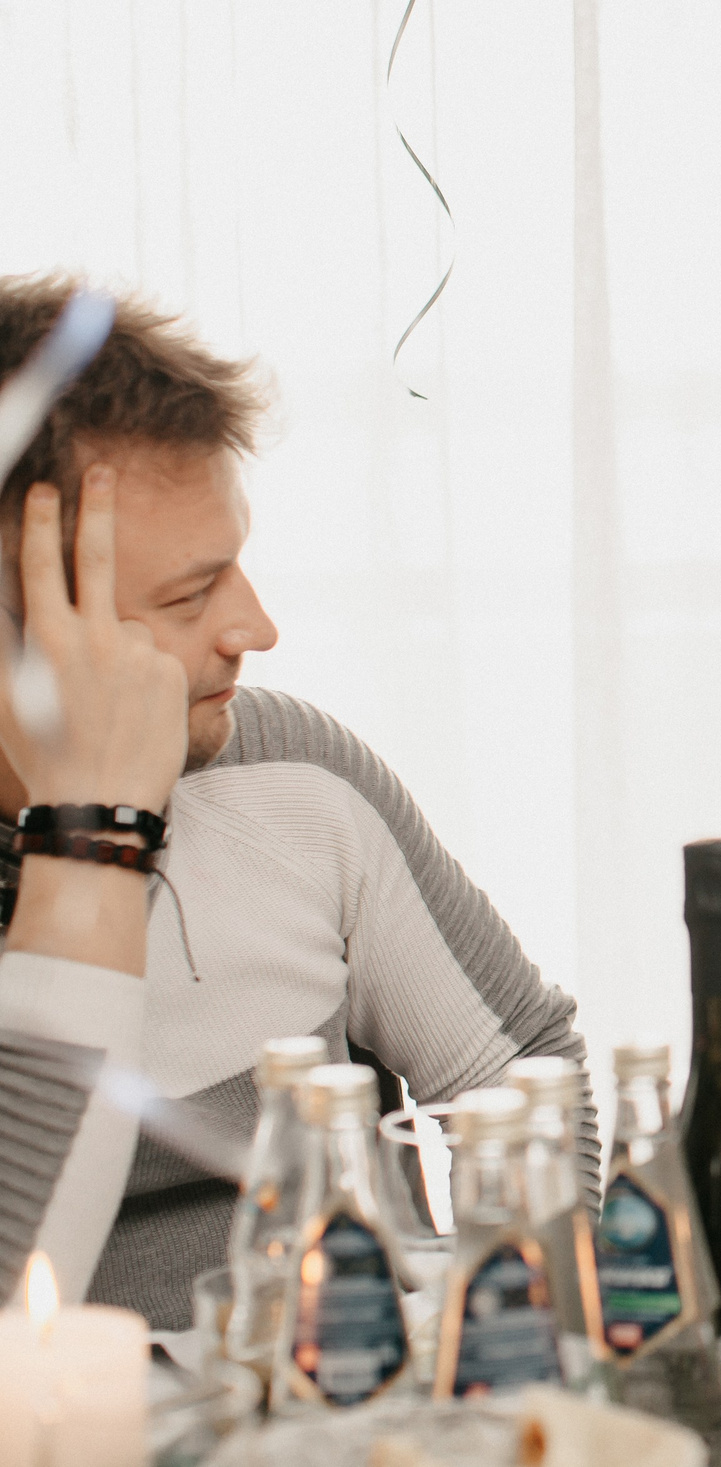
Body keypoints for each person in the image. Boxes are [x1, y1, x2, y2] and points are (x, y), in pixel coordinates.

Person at [0, 276, 587, 1326]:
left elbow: (526, 1078)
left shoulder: (291, 771)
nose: (256, 628)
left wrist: (519, 1349)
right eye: (188, 596)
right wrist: (91, 837)